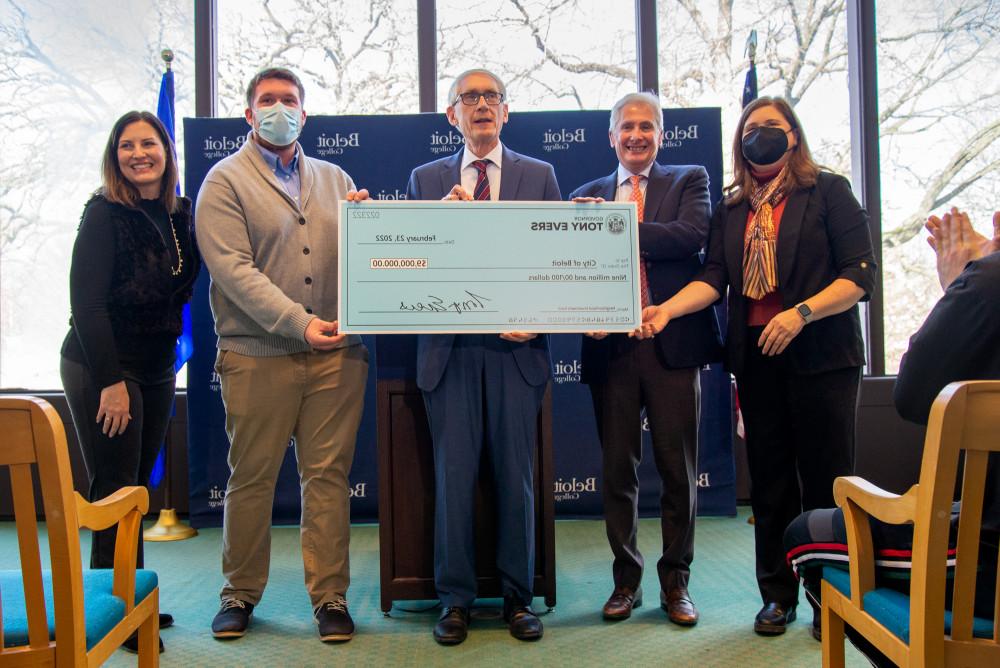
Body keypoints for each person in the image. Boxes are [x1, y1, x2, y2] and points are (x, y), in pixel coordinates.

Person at [634, 96, 877, 635]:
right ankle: (778, 596)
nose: (760, 135)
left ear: (793, 135)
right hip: (758, 361)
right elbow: (714, 278)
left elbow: (861, 275)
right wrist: (666, 310)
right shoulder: (732, 207)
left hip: (822, 358)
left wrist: (802, 313)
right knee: (768, 486)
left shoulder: (829, 192)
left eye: (772, 126)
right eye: (751, 128)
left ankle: (830, 602)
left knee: (826, 483)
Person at [197, 67, 370, 643]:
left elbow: (366, 258)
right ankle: (240, 593)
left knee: (327, 479)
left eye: (289, 100)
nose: (279, 108)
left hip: (337, 358)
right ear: (249, 115)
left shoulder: (335, 176)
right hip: (257, 355)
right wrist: (300, 323)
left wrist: (372, 227)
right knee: (252, 479)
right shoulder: (223, 182)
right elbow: (235, 272)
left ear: (305, 112)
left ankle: (330, 598)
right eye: (267, 101)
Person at [784, 208, 1000, 653]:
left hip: (985, 564)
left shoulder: (986, 283)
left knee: (803, 537)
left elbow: (913, 396)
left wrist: (959, 283)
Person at [405, 68, 561, 645]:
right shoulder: (425, 180)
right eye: (469, 98)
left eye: (491, 96)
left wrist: (538, 318)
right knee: (452, 480)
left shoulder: (539, 175)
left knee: (516, 480)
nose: (481, 106)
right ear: (453, 115)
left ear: (506, 110)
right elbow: (412, 270)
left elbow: (554, 263)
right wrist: (437, 229)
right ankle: (455, 602)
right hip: (449, 354)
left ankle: (519, 599)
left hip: (514, 354)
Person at [568, 92, 721, 625]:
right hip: (610, 349)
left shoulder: (689, 181)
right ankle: (625, 581)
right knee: (617, 471)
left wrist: (609, 224)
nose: (636, 135)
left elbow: (690, 236)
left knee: (678, 472)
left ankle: (676, 583)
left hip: (671, 345)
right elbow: (571, 269)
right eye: (626, 127)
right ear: (610, 137)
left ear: (661, 135)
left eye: (647, 127)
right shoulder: (582, 195)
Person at [60, 110, 201, 650]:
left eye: (149, 143)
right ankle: (110, 612)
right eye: (126, 145)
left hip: (158, 364)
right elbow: (87, 306)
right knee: (113, 488)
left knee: (136, 493)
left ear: (166, 152)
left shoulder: (179, 213)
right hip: (103, 366)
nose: (138, 153)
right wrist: (111, 381)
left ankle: (132, 597)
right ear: (114, 155)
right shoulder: (103, 213)